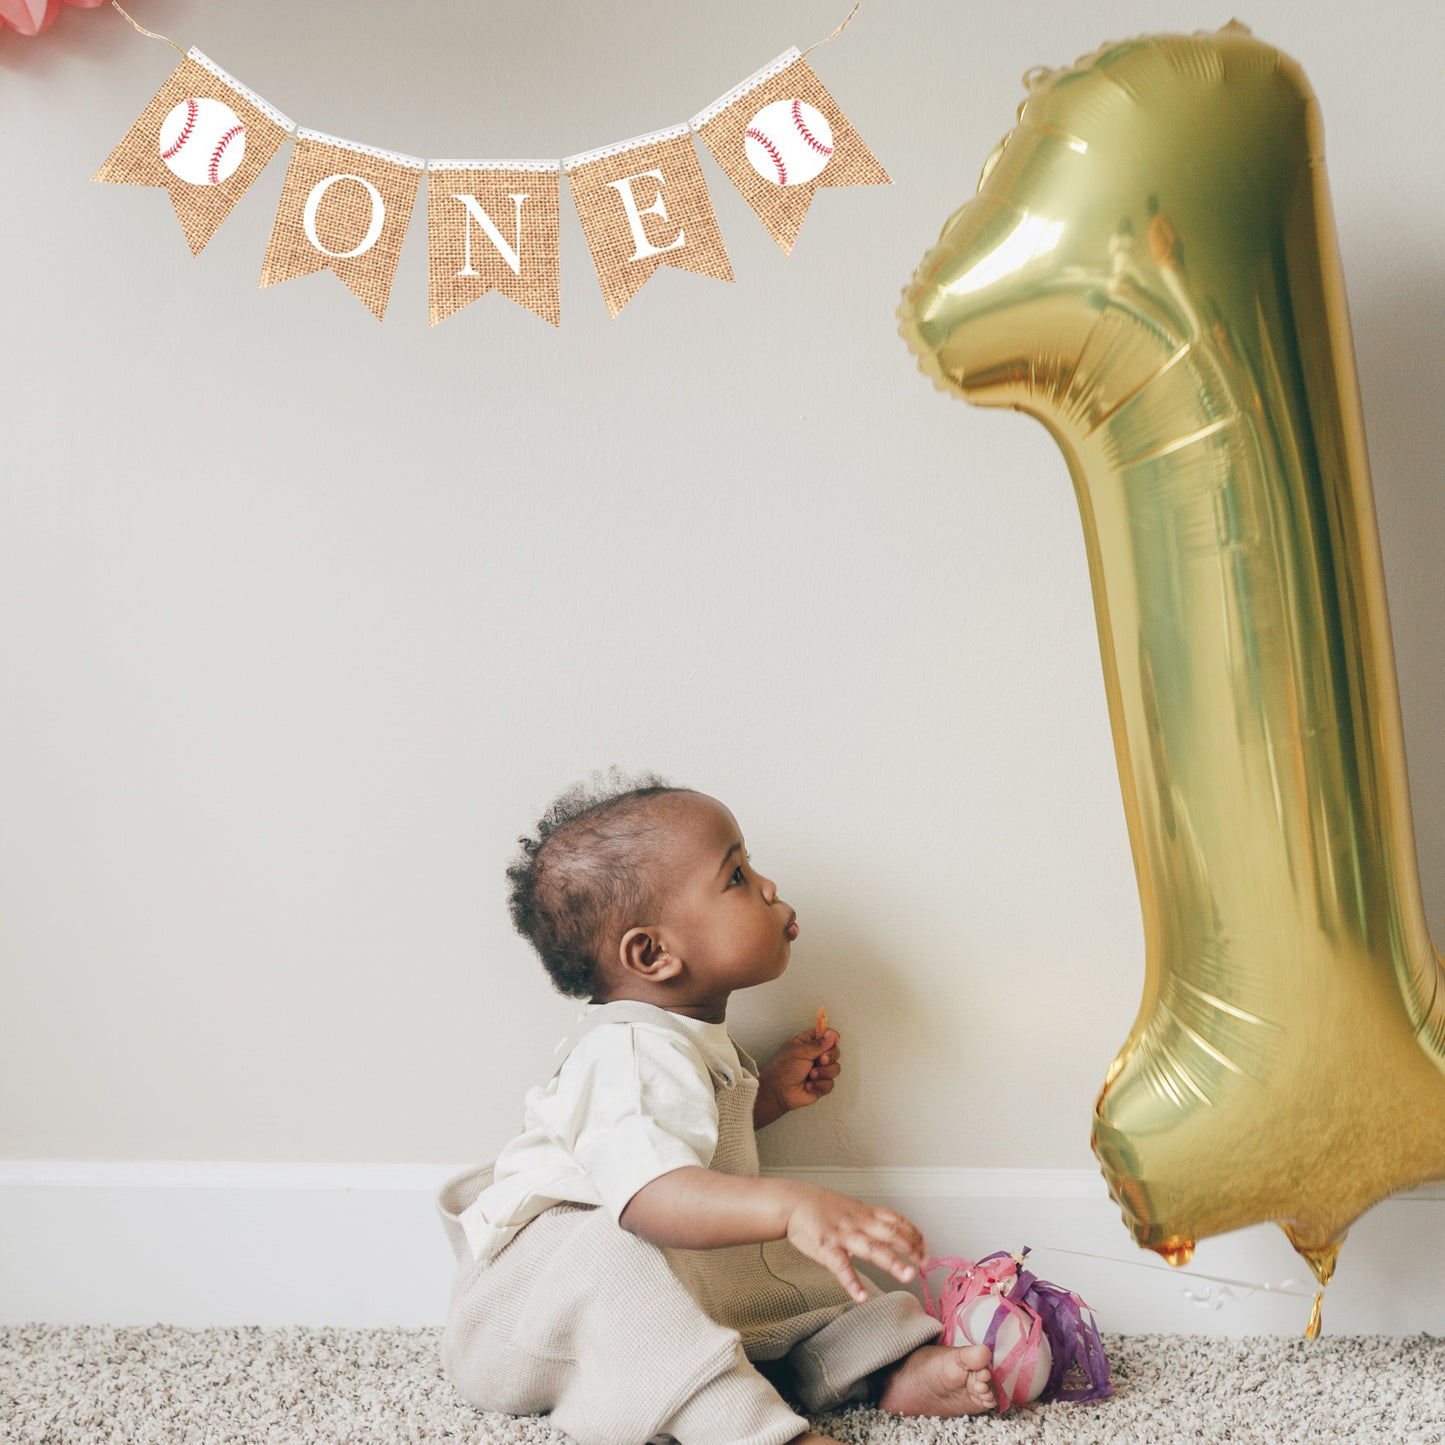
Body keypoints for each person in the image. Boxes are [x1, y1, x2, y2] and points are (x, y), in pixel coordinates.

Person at [436, 771, 996, 1444]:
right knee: (633, 1260)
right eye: (735, 875)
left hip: (635, 1269)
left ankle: (884, 1367)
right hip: (527, 1317)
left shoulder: (681, 1041)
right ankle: (749, 1430)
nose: (766, 886)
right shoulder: (628, 1051)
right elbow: (649, 1193)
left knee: (787, 1273)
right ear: (652, 952)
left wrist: (766, 1099)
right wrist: (791, 1206)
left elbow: (679, 1141)